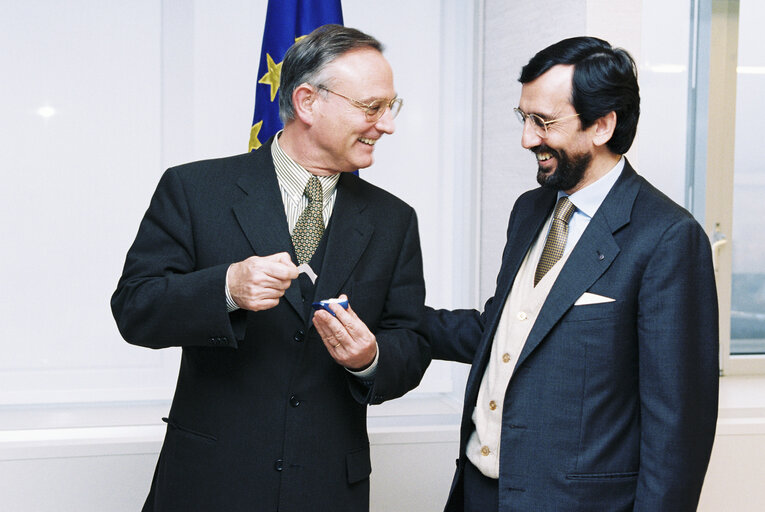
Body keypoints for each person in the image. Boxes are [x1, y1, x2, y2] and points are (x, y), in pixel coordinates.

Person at [111, 24, 429, 512]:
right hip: (208, 484)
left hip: (327, 489)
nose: (386, 125)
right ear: (307, 102)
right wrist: (225, 288)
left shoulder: (394, 220)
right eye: (372, 108)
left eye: (391, 107)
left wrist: (370, 358)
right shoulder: (194, 191)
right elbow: (135, 308)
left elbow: (409, 340)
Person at [426, 36, 719, 511]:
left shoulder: (668, 238)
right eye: (523, 118)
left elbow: (678, 427)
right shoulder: (530, 210)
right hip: (480, 494)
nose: (527, 138)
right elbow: (507, 330)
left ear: (603, 125)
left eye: (543, 122)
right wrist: (390, 314)